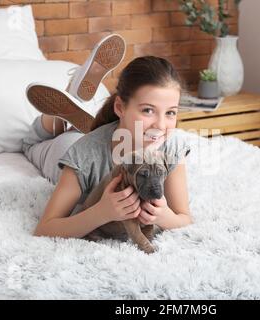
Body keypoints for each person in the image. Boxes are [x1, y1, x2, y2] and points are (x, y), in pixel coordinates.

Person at [22, 34, 192, 240]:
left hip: (103, 136)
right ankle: (63, 104)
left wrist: (164, 217)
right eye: (148, 110)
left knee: (78, 137)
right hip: (72, 148)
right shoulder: (82, 156)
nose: (161, 125)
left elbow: (185, 218)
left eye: (170, 113)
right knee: (30, 144)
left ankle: (73, 109)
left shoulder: (171, 148)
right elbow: (45, 229)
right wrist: (101, 213)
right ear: (119, 107)